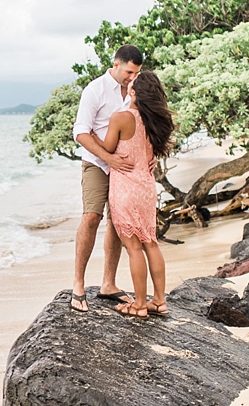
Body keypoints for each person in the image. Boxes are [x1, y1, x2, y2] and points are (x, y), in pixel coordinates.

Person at [93, 70, 175, 318]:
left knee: (133, 247)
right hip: (146, 188)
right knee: (151, 242)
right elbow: (152, 153)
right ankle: (159, 301)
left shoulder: (121, 117)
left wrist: (91, 135)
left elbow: (107, 149)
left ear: (134, 92)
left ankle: (139, 304)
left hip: (126, 187)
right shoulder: (155, 122)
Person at [69, 45, 143, 312]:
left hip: (125, 169)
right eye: (128, 72)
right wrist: (108, 158)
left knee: (118, 222)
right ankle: (78, 285)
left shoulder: (135, 92)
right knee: (91, 217)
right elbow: (80, 132)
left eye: (135, 73)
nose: (131, 77)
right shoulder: (95, 90)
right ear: (116, 64)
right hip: (98, 164)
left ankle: (108, 284)